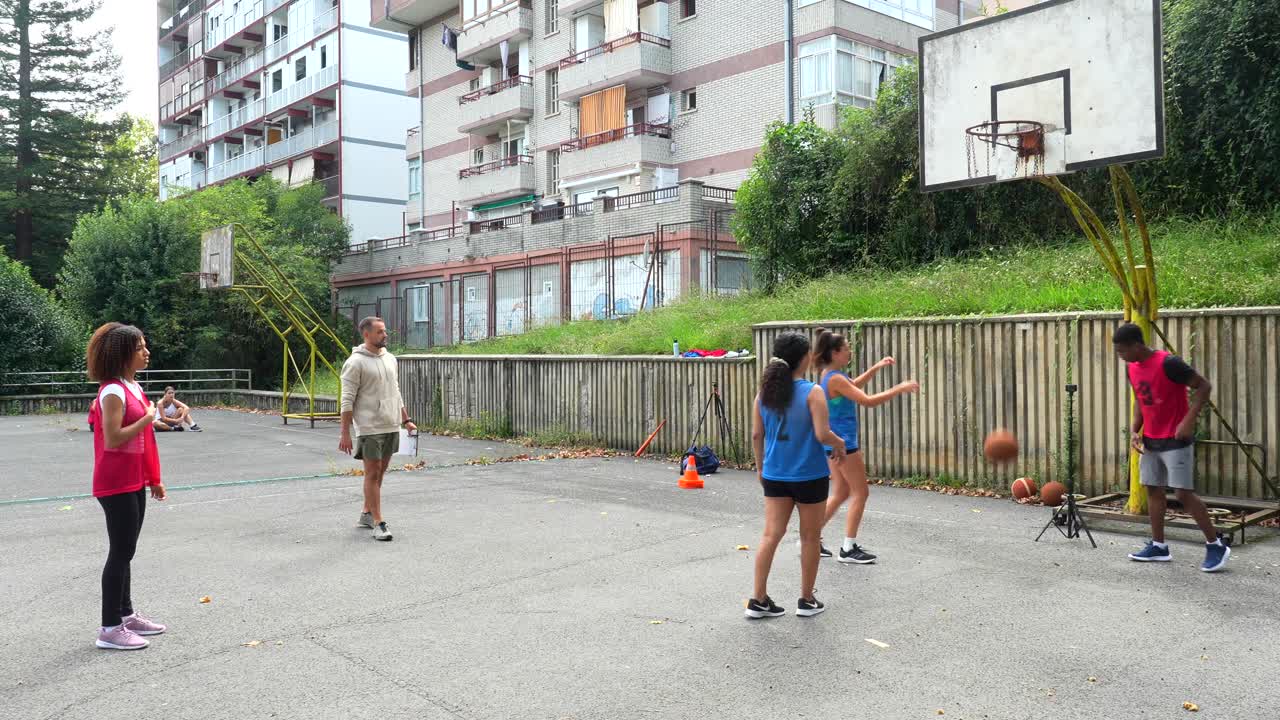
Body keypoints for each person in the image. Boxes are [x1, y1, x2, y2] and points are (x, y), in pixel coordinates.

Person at [746, 332, 847, 619]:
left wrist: (760, 468)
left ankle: (758, 599)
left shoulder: (764, 394)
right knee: (810, 537)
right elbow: (822, 433)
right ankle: (806, 599)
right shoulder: (813, 391)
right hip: (810, 475)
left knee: (771, 535)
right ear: (804, 358)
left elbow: (756, 434)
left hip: (775, 474)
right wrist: (839, 443)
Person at [1113, 323, 1229, 572]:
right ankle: (1159, 546)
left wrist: (1188, 420)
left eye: (1122, 351)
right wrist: (1135, 430)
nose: (1120, 356)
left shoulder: (1169, 363)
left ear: (1137, 345)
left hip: (1176, 439)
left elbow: (1204, 386)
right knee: (1153, 490)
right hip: (1151, 440)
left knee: (1182, 493)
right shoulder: (1131, 368)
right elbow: (1141, 400)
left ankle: (1215, 544)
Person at [85, 323, 168, 650]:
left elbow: (142, 440)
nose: (146, 352)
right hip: (115, 481)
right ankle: (109, 628)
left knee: (127, 549)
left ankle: (126, 615)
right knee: (121, 551)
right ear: (123, 354)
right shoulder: (113, 391)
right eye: (140, 348)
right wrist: (148, 418)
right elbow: (114, 438)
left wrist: (153, 479)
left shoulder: (131, 385)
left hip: (133, 478)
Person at [812, 328, 919, 564]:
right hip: (844, 444)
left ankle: (811, 538)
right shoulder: (836, 378)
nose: (850, 351)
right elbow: (867, 400)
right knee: (861, 492)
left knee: (841, 492)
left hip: (833, 443)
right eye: (847, 348)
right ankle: (848, 549)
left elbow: (855, 385)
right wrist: (898, 388)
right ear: (836, 352)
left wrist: (877, 367)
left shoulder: (830, 375)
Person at [339, 317, 416, 542]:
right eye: (381, 332)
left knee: (380, 472)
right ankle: (378, 522)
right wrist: (345, 432)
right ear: (367, 335)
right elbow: (346, 399)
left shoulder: (390, 359)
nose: (385, 335)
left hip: (390, 423)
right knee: (372, 473)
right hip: (369, 426)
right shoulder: (355, 362)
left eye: (385, 331)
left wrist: (406, 419)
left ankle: (366, 513)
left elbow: (396, 391)